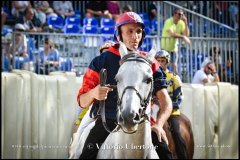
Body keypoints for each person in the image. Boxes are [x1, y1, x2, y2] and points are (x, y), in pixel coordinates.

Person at [77, 11, 173, 159]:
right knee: (86, 155)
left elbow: (166, 102)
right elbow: (82, 101)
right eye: (129, 31)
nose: (135, 36)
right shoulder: (101, 61)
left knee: (166, 154)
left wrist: (159, 125)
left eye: (138, 31)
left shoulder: (151, 64)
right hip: (107, 122)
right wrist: (93, 93)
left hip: (143, 124)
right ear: (119, 34)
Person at [154, 50, 188, 159]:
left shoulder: (174, 78)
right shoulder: (152, 77)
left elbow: (179, 97)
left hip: (172, 112)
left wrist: (168, 106)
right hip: (156, 110)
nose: (160, 63)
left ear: (167, 62)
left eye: (162, 61)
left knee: (177, 134)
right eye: (157, 61)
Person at [161, 8, 191, 75]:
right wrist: (183, 37)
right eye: (179, 14)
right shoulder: (168, 21)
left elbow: (186, 34)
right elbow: (171, 34)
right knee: (164, 65)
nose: (181, 16)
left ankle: (176, 80)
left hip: (173, 48)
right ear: (174, 14)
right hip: (165, 47)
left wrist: (186, 22)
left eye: (182, 14)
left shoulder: (181, 23)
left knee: (174, 65)